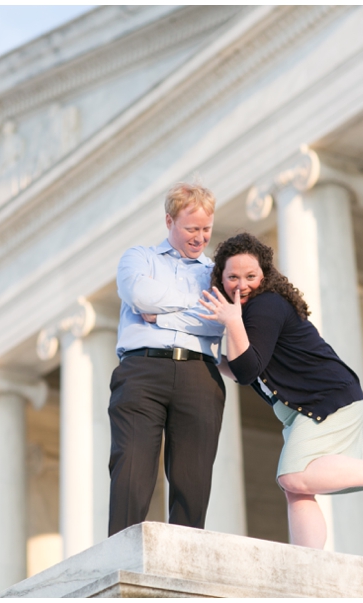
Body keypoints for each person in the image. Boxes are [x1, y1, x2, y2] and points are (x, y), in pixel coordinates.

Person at [198, 232, 363, 548]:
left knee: (292, 476)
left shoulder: (265, 305)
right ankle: (309, 563)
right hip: (312, 406)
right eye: (233, 277)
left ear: (264, 275)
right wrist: (205, 357)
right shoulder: (251, 312)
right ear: (220, 279)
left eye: (251, 276)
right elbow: (246, 369)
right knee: (297, 490)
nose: (242, 285)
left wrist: (232, 322)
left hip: (327, 400)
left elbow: (246, 369)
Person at [107, 182, 226, 536]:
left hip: (199, 375)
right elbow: (140, 295)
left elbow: (220, 323)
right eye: (192, 228)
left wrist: (161, 315)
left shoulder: (216, 272)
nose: (200, 238)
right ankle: (119, 557)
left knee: (194, 477)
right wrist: (195, 304)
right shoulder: (138, 258)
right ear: (169, 221)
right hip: (142, 371)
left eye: (206, 229)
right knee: (131, 467)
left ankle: (187, 563)